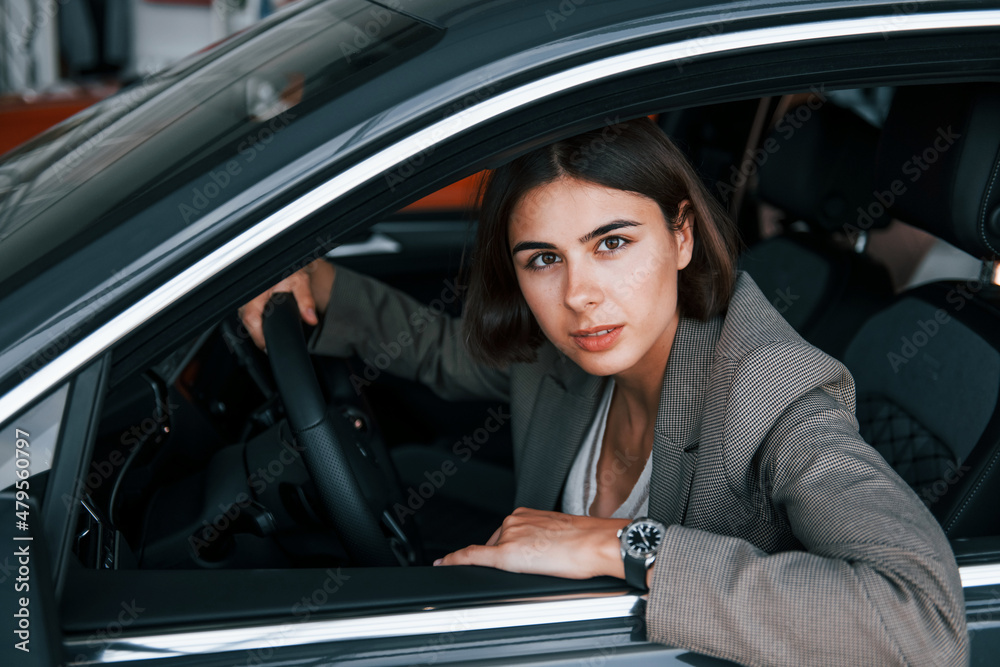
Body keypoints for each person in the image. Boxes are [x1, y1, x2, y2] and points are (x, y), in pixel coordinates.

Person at [239, 118, 967, 666]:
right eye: (543, 259)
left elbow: (924, 622)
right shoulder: (568, 357)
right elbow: (441, 352)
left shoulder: (771, 394)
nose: (580, 295)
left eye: (612, 243)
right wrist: (320, 284)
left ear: (681, 237)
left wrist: (618, 543)